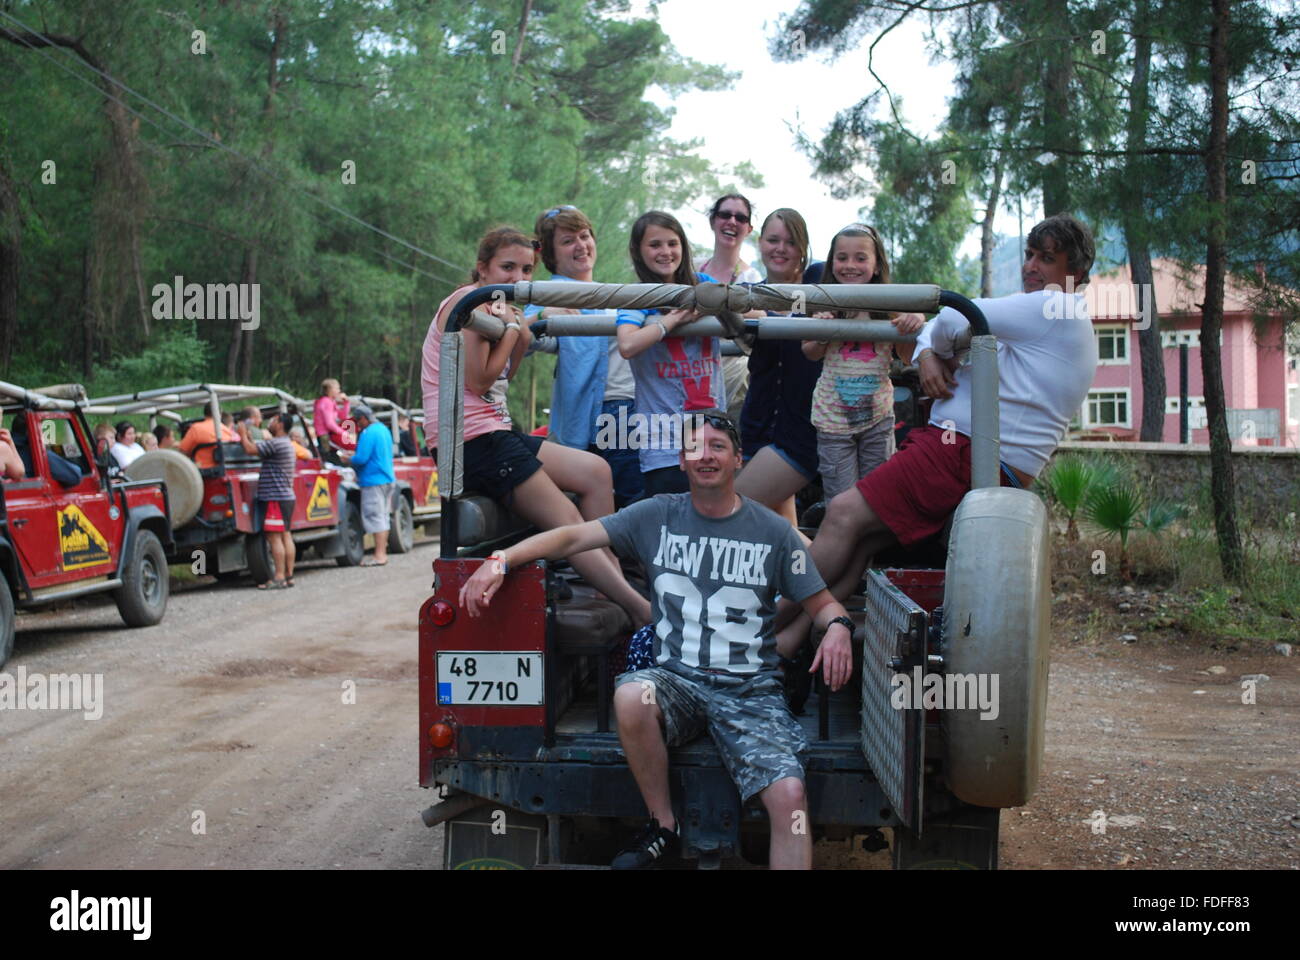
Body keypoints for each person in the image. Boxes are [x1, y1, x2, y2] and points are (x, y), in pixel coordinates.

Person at [460, 410, 855, 870]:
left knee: (790, 797)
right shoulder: (656, 515)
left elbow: (825, 604)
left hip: (750, 692)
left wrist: (839, 629)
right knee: (632, 693)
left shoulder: (774, 533)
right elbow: (571, 537)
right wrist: (502, 558)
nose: (705, 455)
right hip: (677, 682)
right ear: (683, 461)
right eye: (694, 447)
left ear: (737, 460)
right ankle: (663, 826)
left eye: (717, 446)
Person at [776, 214, 1100, 644]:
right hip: (978, 454)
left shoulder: (1052, 306)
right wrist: (930, 353)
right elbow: (944, 330)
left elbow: (952, 316)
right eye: (1029, 254)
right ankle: (789, 643)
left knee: (842, 514)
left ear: (1073, 274)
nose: (1031, 266)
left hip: (963, 449)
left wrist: (936, 350)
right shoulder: (1058, 316)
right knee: (862, 537)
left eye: (1047, 258)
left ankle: (755, 627)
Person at [423, 225, 650, 623]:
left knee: (596, 471)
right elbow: (478, 380)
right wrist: (514, 330)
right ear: (482, 269)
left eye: (527, 270)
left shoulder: (501, 308)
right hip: (470, 442)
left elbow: (501, 377)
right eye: (507, 267)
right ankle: (638, 610)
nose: (519, 279)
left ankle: (608, 584)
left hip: (496, 431)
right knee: (567, 519)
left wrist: (519, 334)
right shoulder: (469, 303)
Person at [802, 223, 924, 500]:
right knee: (841, 498)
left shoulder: (889, 305)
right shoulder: (826, 304)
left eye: (860, 258)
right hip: (833, 418)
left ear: (877, 265)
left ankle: (872, 543)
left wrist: (913, 322)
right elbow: (809, 352)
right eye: (842, 257)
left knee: (877, 497)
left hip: (877, 418)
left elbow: (906, 355)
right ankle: (845, 541)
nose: (850, 265)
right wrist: (821, 333)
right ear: (832, 262)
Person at [530, 205, 643, 505]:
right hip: (604, 417)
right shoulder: (553, 292)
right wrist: (542, 316)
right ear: (552, 255)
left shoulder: (607, 295)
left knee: (625, 501)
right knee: (628, 502)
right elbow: (523, 338)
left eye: (584, 236)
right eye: (568, 241)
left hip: (627, 413)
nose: (581, 245)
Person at [614, 211, 723, 496]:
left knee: (713, 524)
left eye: (672, 243)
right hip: (664, 441)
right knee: (668, 526)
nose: (666, 252)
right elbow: (627, 345)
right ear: (638, 251)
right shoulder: (636, 295)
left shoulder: (703, 283)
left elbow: (752, 313)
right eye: (655, 245)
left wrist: (714, 307)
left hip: (712, 435)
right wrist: (672, 321)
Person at [736, 208, 823, 526]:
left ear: (803, 247)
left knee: (730, 512)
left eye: (790, 241)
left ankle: (815, 574)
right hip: (758, 427)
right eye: (773, 240)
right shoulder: (749, 294)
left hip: (801, 432)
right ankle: (808, 574)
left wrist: (766, 320)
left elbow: (868, 286)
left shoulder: (819, 281)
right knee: (779, 531)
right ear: (760, 243)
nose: (780, 248)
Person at [694, 194, 765, 424]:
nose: (732, 222)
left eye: (740, 218)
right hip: (689, 375)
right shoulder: (691, 267)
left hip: (734, 386)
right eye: (725, 215)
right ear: (713, 220)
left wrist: (706, 305)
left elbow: (761, 315)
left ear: (749, 228)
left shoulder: (752, 277)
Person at [237, 412, 297, 588]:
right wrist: (248, 437)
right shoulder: (285, 444)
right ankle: (289, 576)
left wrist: (241, 435)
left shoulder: (276, 443)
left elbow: (249, 450)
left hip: (275, 498)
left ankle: (278, 578)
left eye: (273, 420)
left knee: (274, 538)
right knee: (286, 536)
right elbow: (258, 447)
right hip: (285, 497)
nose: (269, 423)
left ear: (279, 424)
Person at [339, 403, 396, 567]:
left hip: (373, 481)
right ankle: (382, 553)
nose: (357, 425)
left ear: (363, 419)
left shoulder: (368, 433)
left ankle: (379, 555)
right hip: (386, 478)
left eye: (357, 421)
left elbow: (362, 458)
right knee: (383, 517)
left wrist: (348, 458)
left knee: (375, 517)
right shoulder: (383, 430)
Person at [314, 379, 352, 461]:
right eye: (337, 388)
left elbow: (342, 416)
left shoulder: (331, 402)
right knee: (328, 458)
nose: (339, 391)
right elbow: (329, 423)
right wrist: (343, 432)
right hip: (324, 436)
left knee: (333, 457)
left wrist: (346, 403)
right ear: (329, 390)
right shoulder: (326, 402)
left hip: (328, 434)